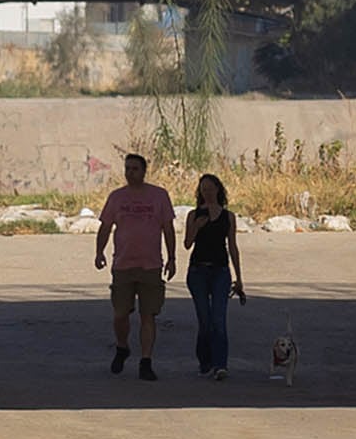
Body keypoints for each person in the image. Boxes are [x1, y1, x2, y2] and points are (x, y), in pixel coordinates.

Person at [92, 149, 177, 381]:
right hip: (123, 265)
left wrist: (172, 258)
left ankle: (146, 361)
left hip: (151, 265)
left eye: (135, 169)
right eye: (127, 169)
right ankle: (122, 347)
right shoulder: (116, 197)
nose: (130, 173)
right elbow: (105, 227)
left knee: (148, 315)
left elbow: (168, 228)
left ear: (144, 171)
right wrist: (99, 252)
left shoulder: (159, 196)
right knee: (120, 314)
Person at [183, 171, 245, 381]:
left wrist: (239, 277)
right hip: (198, 271)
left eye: (210, 189)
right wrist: (196, 227)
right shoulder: (193, 215)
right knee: (205, 320)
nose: (207, 193)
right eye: (203, 190)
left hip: (220, 271)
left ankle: (220, 364)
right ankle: (205, 361)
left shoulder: (228, 217)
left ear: (218, 190)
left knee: (219, 319)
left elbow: (232, 246)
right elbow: (187, 244)